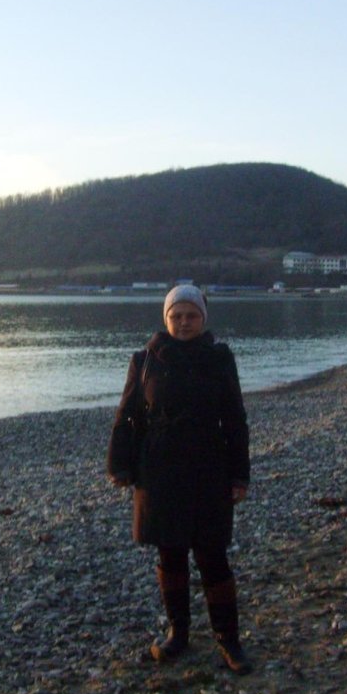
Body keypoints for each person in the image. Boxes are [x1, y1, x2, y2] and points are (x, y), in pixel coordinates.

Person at [107, 284, 252, 674]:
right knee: (169, 554)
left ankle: (228, 639)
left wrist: (240, 475)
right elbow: (127, 414)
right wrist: (119, 464)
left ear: (203, 318)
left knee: (212, 555)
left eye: (191, 316)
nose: (184, 322)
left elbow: (235, 419)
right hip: (159, 470)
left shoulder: (219, 358)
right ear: (166, 318)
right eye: (177, 316)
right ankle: (178, 633)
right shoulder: (145, 360)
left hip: (209, 467)